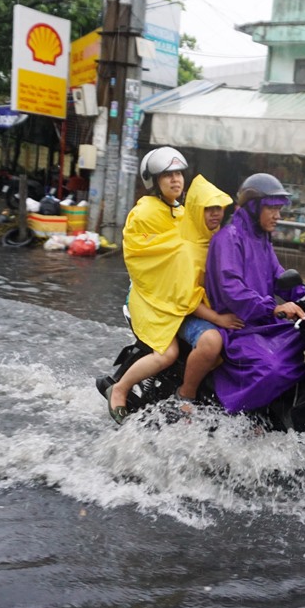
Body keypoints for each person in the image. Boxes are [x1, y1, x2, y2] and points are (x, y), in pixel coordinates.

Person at [106, 147, 202, 422]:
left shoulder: (183, 212)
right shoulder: (144, 212)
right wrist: (182, 247)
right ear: (154, 181)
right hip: (149, 298)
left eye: (178, 174)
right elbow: (139, 252)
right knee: (167, 353)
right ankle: (119, 389)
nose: (175, 180)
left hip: (177, 295)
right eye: (167, 175)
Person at [204, 173, 305, 414]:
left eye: (279, 208)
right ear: (253, 207)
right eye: (271, 208)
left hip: (263, 324)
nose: (278, 215)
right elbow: (231, 289)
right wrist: (272, 308)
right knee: (271, 369)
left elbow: (279, 277)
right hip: (239, 327)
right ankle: (236, 415)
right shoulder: (228, 238)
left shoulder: (262, 238)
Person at [174, 175, 242, 403]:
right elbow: (186, 300)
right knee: (212, 341)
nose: (215, 213)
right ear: (195, 210)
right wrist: (218, 319)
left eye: (219, 208)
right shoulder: (186, 249)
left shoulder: (221, 240)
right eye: (208, 208)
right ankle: (187, 393)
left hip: (214, 309)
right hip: (184, 314)